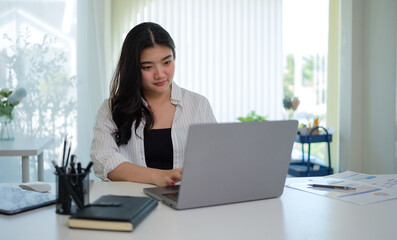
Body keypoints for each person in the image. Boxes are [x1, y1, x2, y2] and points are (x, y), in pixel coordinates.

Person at [90, 22, 216, 187]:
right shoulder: (111, 109)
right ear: (133, 68)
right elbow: (103, 159)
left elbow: (214, 159)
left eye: (166, 62)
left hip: (186, 203)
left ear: (174, 56)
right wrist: (159, 176)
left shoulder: (199, 105)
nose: (160, 74)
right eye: (148, 67)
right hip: (132, 205)